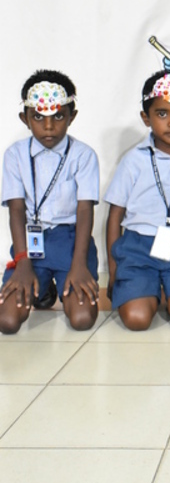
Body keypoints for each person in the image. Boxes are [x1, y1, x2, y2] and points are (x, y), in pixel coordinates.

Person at [105, 70, 170, 331]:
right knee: (137, 320)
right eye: (162, 114)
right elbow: (115, 216)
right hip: (139, 250)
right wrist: (113, 268)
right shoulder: (133, 160)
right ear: (146, 118)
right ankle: (148, 287)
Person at [0, 70, 99, 333]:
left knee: (81, 320)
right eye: (38, 117)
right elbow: (16, 210)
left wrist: (79, 264)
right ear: (25, 118)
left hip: (71, 242)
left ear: (71, 117)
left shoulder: (84, 155)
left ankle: (59, 282)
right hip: (31, 244)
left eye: (58, 116)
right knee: (7, 321)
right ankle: (43, 288)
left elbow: (85, 210)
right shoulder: (14, 155)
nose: (48, 126)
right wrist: (22, 262)